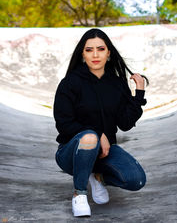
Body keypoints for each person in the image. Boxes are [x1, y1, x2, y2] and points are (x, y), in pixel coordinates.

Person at [53, 28, 148, 217]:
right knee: (89, 138)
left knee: (135, 180)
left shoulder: (117, 83)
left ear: (109, 53)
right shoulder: (70, 83)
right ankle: (79, 194)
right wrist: (98, 133)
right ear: (82, 53)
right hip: (71, 153)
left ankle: (97, 175)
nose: (95, 55)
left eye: (101, 49)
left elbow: (125, 123)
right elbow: (63, 124)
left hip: (104, 153)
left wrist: (139, 94)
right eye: (89, 50)